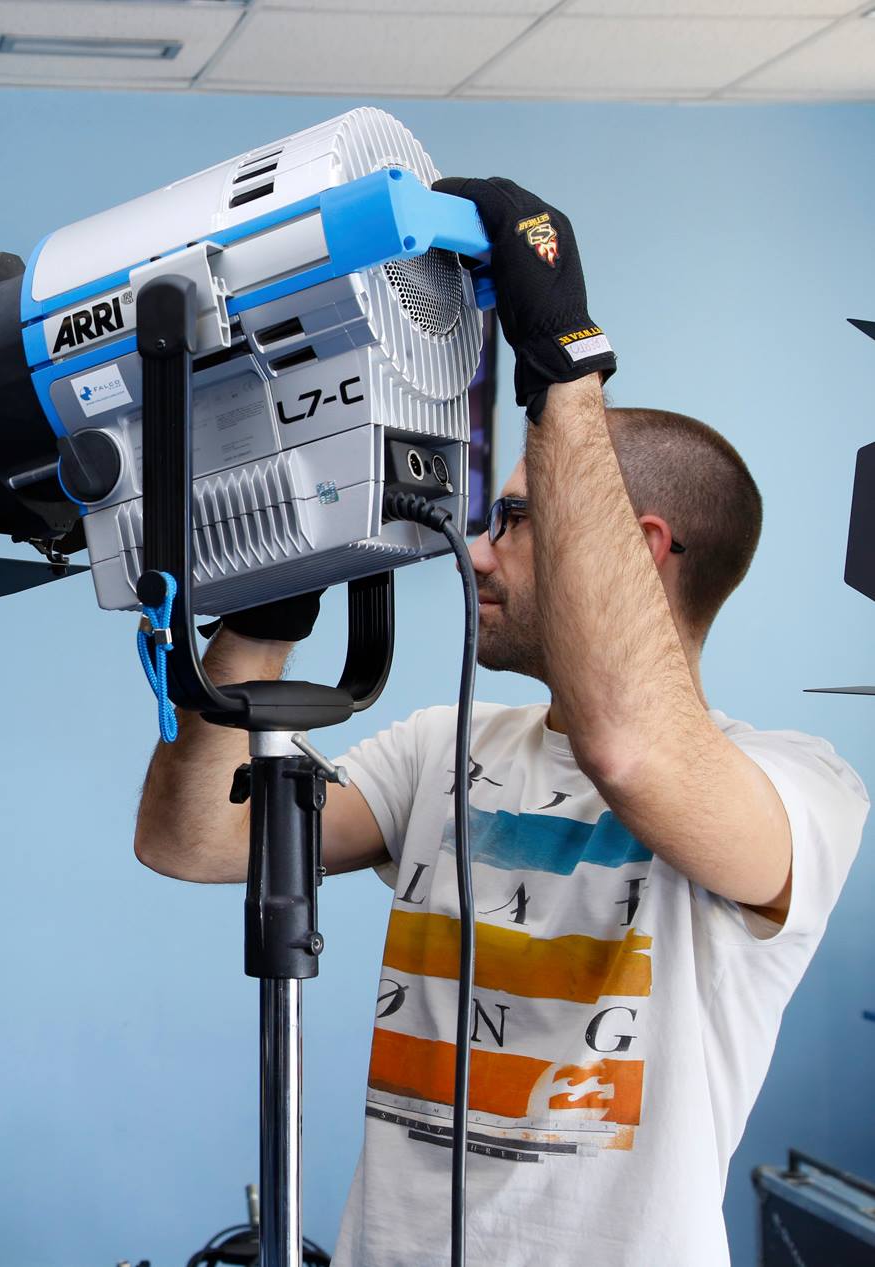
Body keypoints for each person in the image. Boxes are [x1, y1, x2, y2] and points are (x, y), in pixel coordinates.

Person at [133, 178, 867, 1265]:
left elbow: (630, 751)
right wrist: (258, 624)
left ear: (640, 547)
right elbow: (191, 841)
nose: (475, 550)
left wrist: (565, 371)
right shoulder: (444, 747)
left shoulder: (802, 789)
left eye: (515, 519)